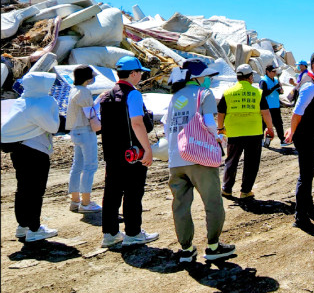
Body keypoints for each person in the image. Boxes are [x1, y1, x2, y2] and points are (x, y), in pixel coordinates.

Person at [165, 59, 235, 263]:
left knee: (180, 205)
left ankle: (186, 249)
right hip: (199, 157)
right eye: (205, 76)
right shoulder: (204, 94)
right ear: (196, 77)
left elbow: (168, 127)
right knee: (212, 202)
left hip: (176, 159)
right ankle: (213, 246)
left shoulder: (175, 97)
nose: (208, 80)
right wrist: (219, 136)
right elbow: (210, 122)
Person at [99, 56, 159, 247]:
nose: (141, 76)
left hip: (112, 152)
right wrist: (147, 150)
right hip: (133, 152)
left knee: (112, 193)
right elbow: (137, 123)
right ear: (133, 73)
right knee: (133, 192)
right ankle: (133, 233)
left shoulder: (105, 95)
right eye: (140, 72)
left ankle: (110, 234)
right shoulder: (133, 94)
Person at [1, 72, 60, 242]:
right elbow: (54, 127)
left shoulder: (22, 101)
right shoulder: (40, 105)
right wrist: (53, 106)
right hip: (36, 151)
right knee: (35, 191)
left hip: (19, 150)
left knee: (23, 189)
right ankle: (34, 229)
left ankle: (23, 226)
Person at [285, 50, 314, 231]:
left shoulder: (313, 82)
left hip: (310, 135)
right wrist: (292, 131)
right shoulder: (310, 85)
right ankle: (301, 217)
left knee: (311, 170)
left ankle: (309, 207)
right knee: (305, 175)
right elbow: (297, 111)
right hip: (305, 137)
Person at [217, 64, 275, 200]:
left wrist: (220, 128)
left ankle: (226, 189)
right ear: (250, 77)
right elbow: (265, 113)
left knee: (231, 161)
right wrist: (270, 128)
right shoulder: (257, 93)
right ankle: (245, 191)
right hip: (254, 133)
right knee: (251, 163)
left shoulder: (228, 93)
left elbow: (221, 113)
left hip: (234, 132)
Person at [65, 65, 101, 213]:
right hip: (85, 131)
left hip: (74, 131)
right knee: (90, 166)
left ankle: (75, 200)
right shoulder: (85, 92)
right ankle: (86, 203)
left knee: (77, 166)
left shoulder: (73, 90)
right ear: (88, 78)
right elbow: (90, 113)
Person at [259, 65, 289, 148]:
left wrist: (280, 90)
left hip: (275, 105)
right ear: (268, 72)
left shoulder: (275, 80)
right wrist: (274, 87)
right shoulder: (263, 81)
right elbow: (263, 93)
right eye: (273, 71)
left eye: (275, 71)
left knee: (279, 124)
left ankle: (282, 140)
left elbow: (277, 91)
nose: (275, 73)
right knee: (264, 124)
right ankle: (260, 140)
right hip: (267, 107)